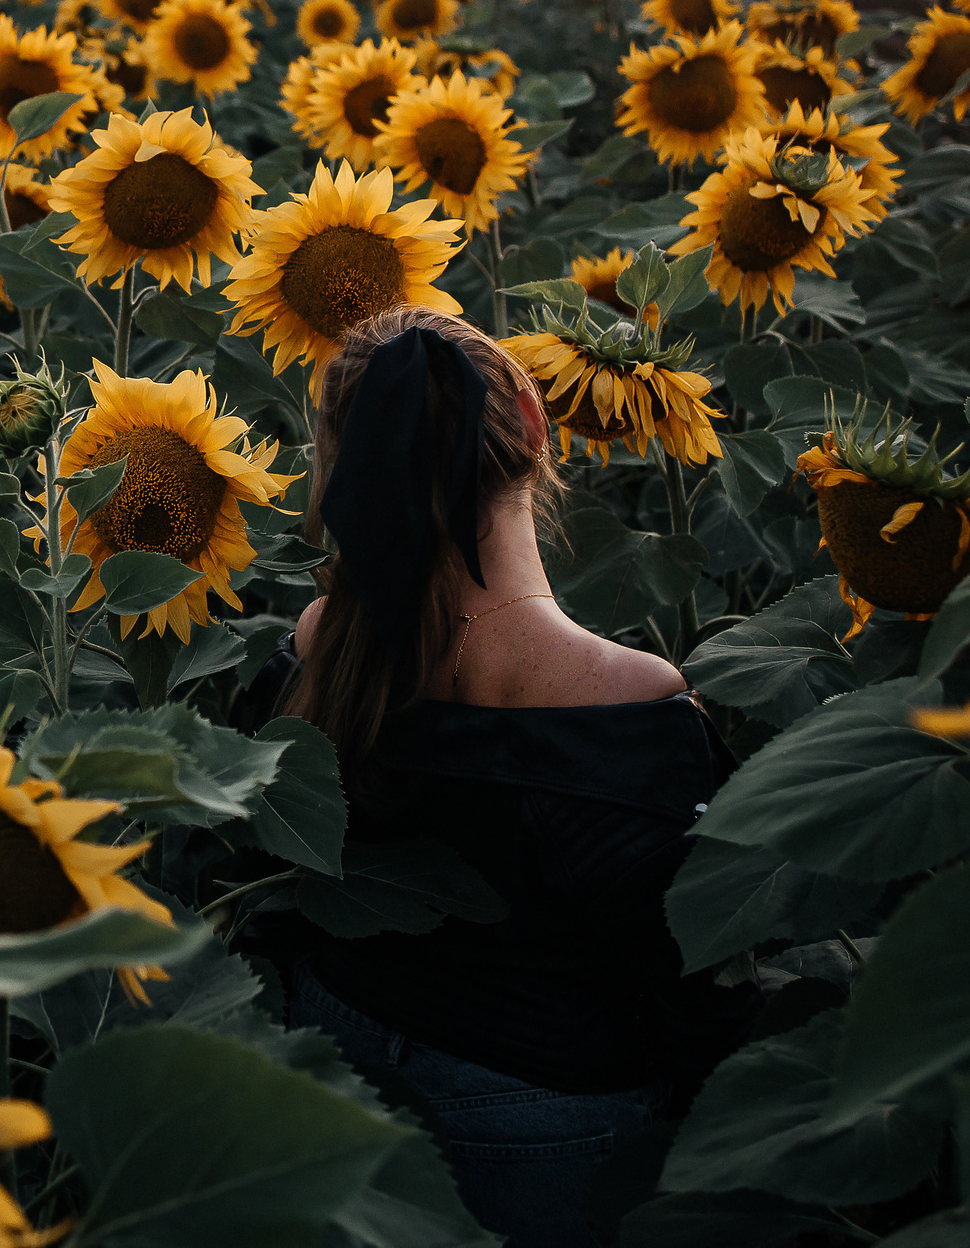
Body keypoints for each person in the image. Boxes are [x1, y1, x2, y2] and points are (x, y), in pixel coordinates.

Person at [266, 306, 741, 1248]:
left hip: (340, 1065)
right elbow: (692, 963)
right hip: (547, 1111)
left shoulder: (324, 648)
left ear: (342, 460)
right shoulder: (627, 697)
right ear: (532, 418)